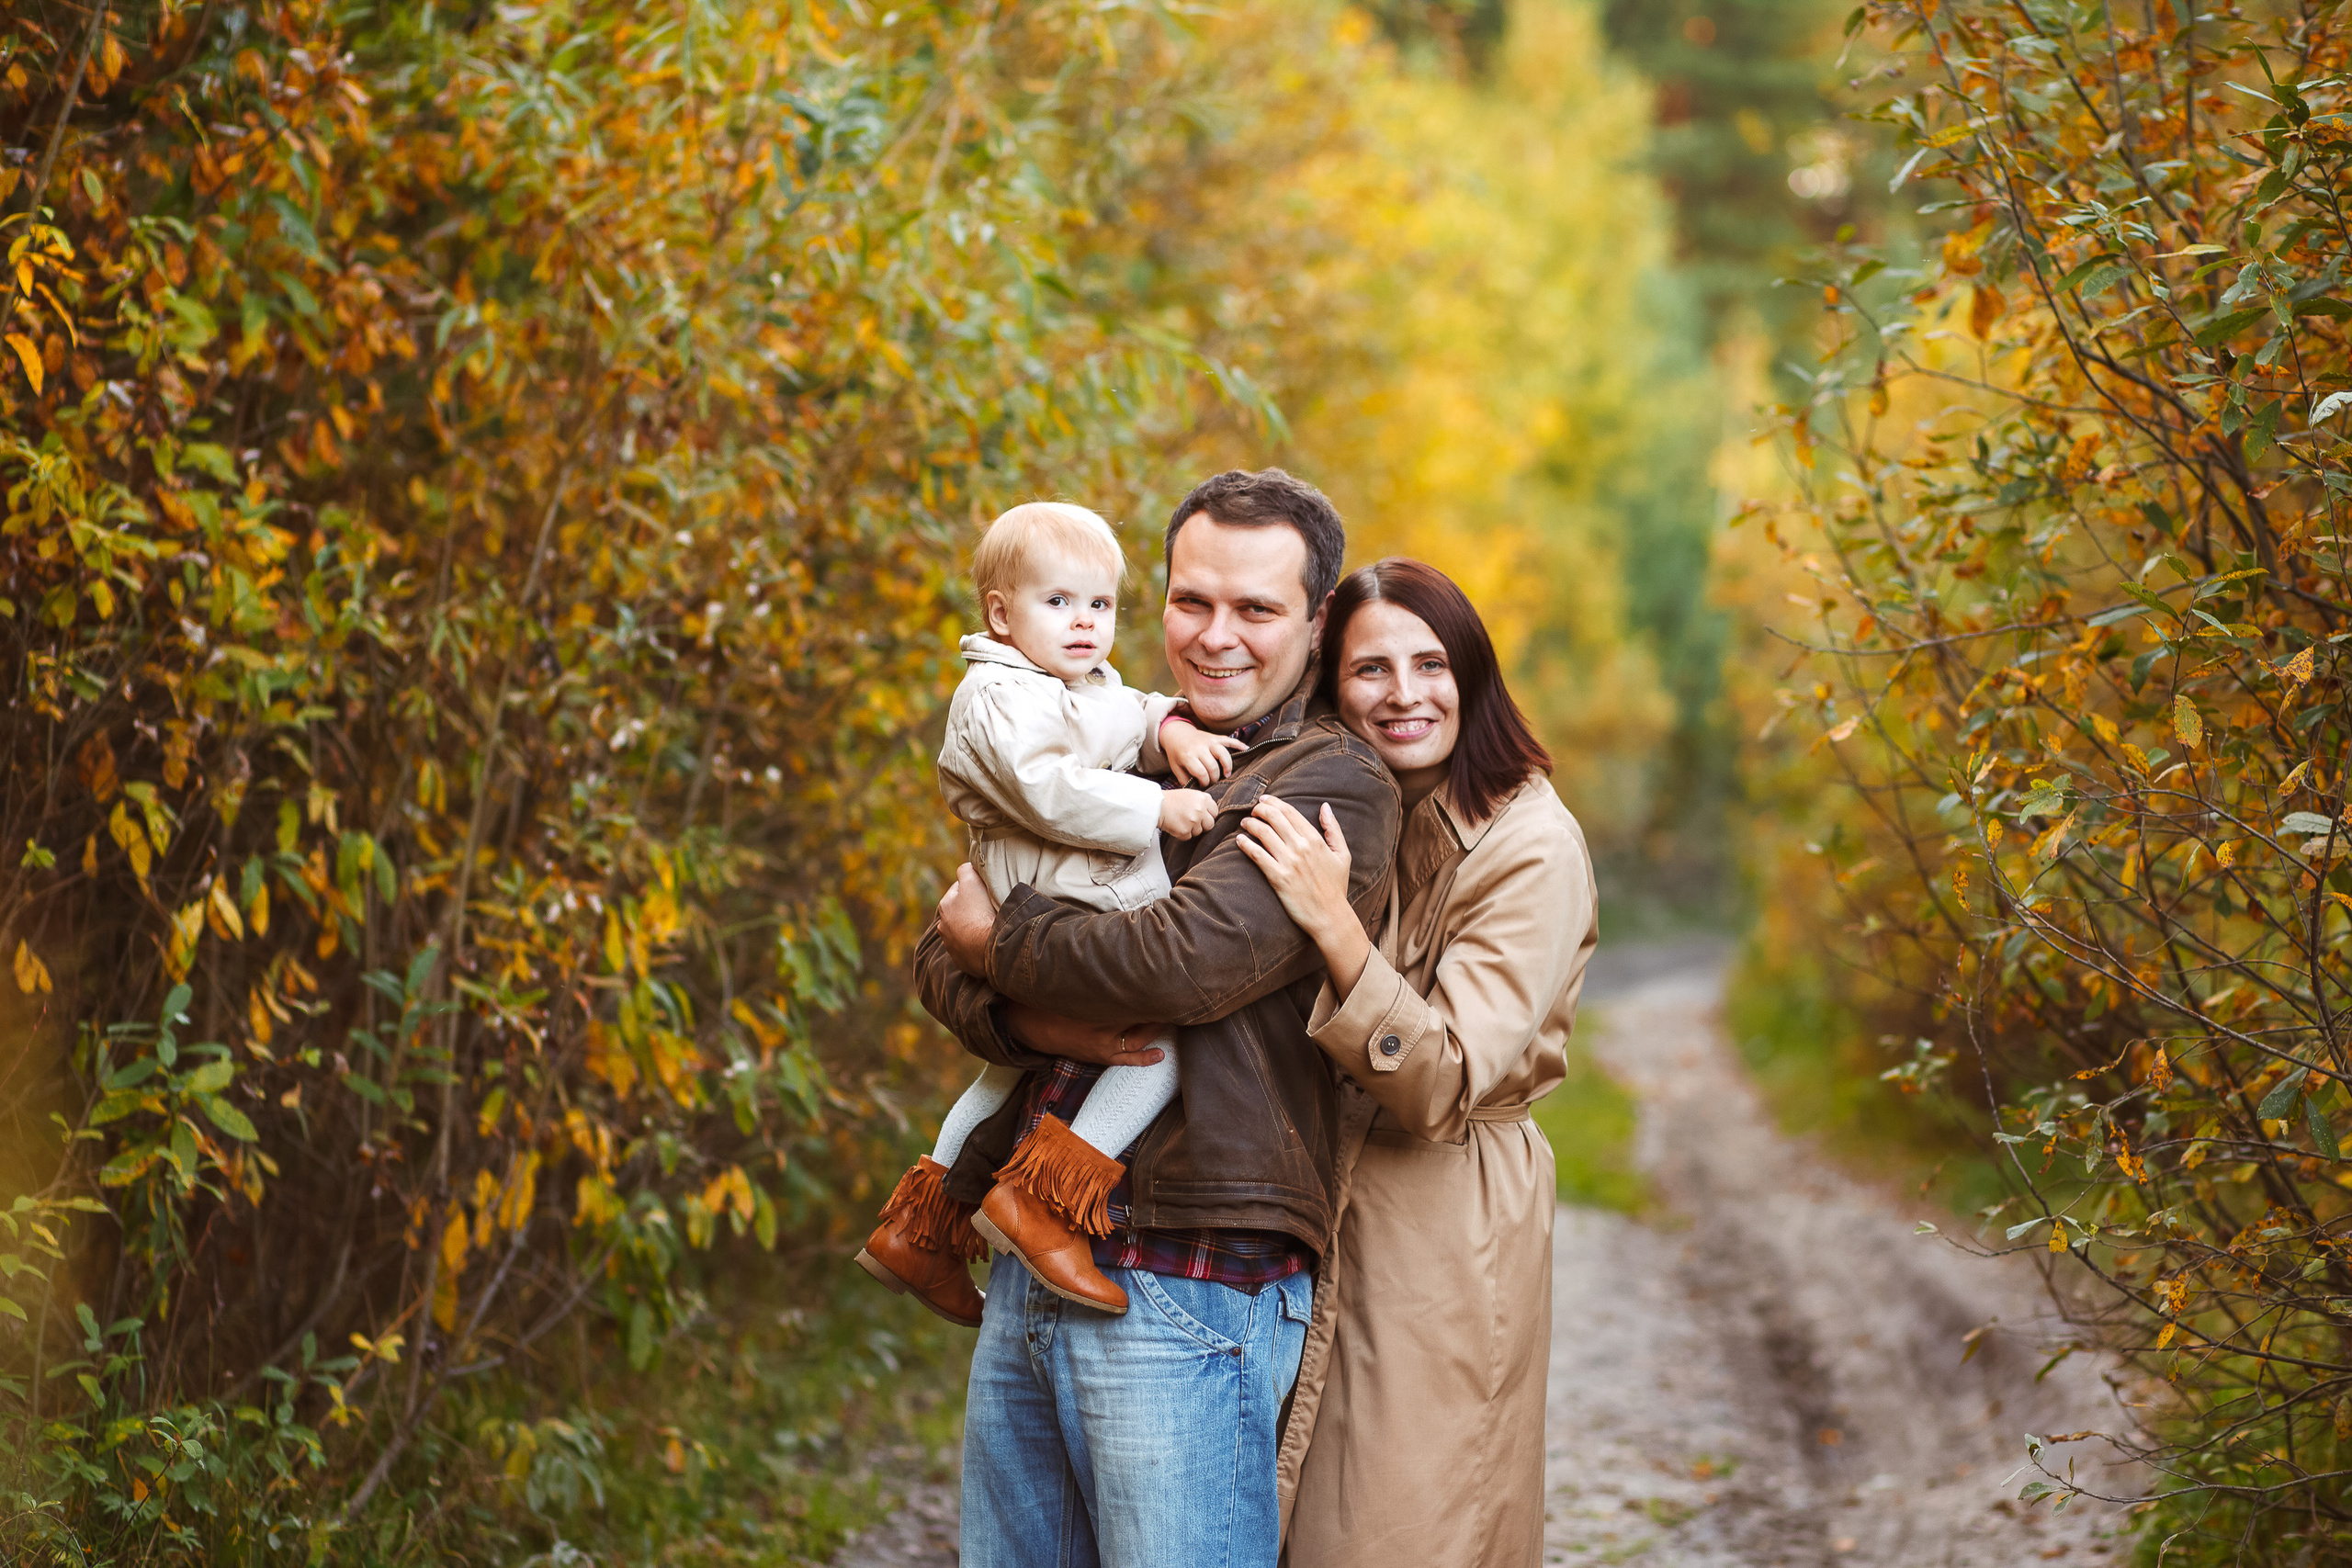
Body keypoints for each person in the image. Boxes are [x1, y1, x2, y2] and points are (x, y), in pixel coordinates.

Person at [917, 469, 1402, 1568]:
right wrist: (1038, 1022)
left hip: (1189, 1284)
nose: (1214, 636)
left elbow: (1174, 966)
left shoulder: (1328, 779)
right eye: (1191, 601)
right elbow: (940, 938)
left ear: (1317, 622)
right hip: (1032, 1272)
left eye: (1256, 609)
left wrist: (1003, 951)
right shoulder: (1117, 728)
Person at [1234, 558, 1598, 1568]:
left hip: (1447, 1210)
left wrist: (1331, 929)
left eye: (1430, 663)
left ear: (1470, 674)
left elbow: (1444, 1078)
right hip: (1317, 1192)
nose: (1403, 694)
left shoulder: (1529, 845)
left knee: (1410, 1520)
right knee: (1301, 1509)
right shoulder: (1353, 807)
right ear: (1330, 688)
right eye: (1370, 670)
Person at [855, 502, 1250, 1323]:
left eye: (1100, 606)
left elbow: (1124, 710)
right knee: (1162, 1040)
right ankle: (1046, 1205)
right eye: (1059, 603)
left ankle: (920, 1228)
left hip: (1062, 880)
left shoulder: (1071, 680)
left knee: (1008, 1068)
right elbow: (1049, 785)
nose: (1085, 624)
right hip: (1056, 883)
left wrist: (1169, 727)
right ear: (1001, 614)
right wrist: (1153, 808)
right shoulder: (995, 694)